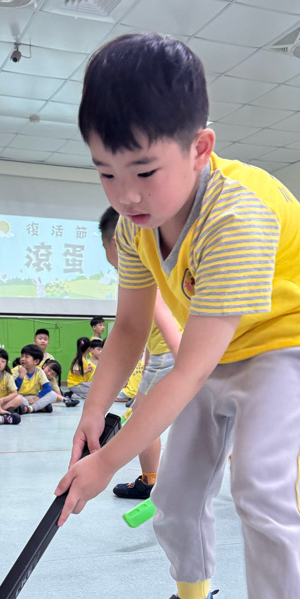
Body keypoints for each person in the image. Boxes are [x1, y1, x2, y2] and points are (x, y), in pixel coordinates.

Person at [55, 33, 300, 599]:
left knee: (261, 489)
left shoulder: (237, 217)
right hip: (215, 345)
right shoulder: (136, 226)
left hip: (288, 340)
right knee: (177, 492)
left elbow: (186, 369)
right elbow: (128, 330)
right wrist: (94, 416)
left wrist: (107, 464)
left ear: (200, 148)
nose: (125, 194)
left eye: (143, 171)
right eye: (105, 172)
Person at [98, 206, 183, 500]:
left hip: (174, 356)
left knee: (142, 422)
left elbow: (162, 321)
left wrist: (189, 368)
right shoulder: (163, 263)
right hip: (167, 355)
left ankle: (149, 481)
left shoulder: (142, 271)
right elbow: (148, 333)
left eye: (105, 249)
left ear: (116, 242)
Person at [13, 344, 58, 413]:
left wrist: (36, 398)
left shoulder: (39, 371)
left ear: (36, 361)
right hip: (20, 397)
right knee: (19, 399)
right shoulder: (16, 370)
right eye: (22, 356)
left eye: (26, 357)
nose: (22, 359)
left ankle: (29, 408)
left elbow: (47, 387)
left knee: (53, 395)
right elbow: (13, 390)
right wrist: (20, 377)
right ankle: (39, 407)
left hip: (33, 397)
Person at [63, 336, 97, 402]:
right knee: (92, 394)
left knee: (95, 388)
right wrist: (86, 371)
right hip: (75, 384)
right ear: (88, 348)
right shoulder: (79, 359)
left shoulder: (84, 358)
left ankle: (76, 394)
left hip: (81, 383)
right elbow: (75, 371)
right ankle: (72, 394)